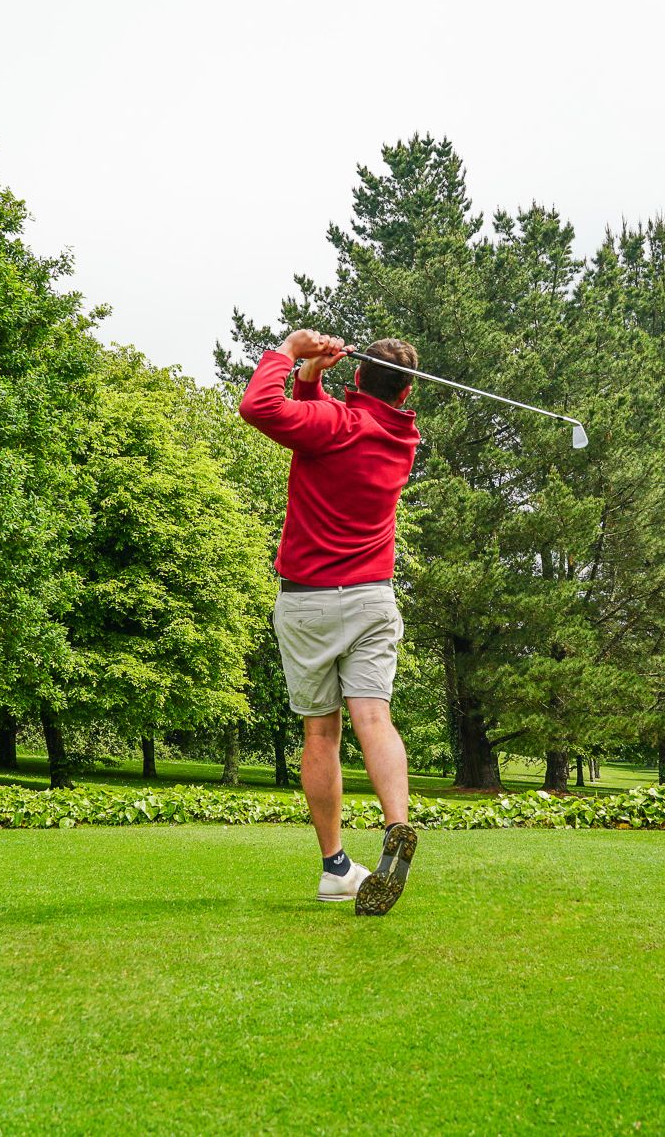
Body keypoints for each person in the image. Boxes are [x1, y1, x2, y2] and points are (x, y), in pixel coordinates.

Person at [238, 328, 421, 916]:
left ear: (359, 377)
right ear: (407, 390)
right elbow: (318, 424)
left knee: (321, 733)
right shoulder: (401, 438)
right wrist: (313, 378)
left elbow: (258, 407)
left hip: (309, 602)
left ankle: (335, 864)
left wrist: (289, 355)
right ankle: (397, 824)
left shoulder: (338, 426)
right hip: (370, 598)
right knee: (374, 715)